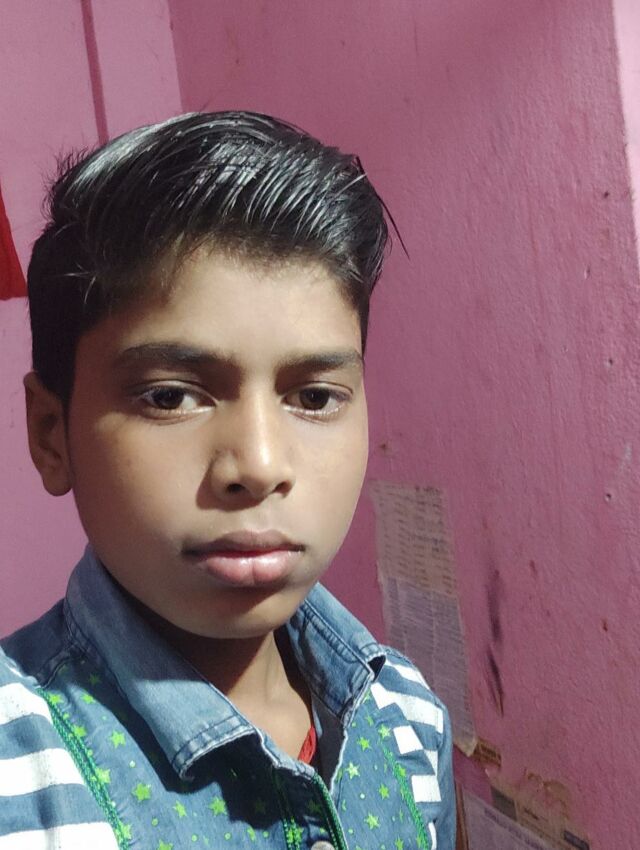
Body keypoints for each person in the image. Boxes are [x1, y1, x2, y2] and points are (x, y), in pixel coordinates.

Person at [2, 111, 455, 849]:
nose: (260, 466)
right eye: (170, 396)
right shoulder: (17, 770)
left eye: (315, 397)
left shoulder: (408, 717)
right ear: (52, 434)